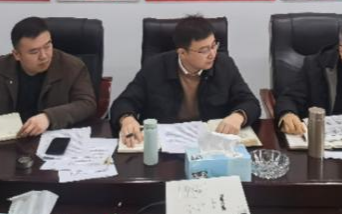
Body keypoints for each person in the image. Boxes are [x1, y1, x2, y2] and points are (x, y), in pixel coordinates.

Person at [111, 16, 261, 144]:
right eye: (204, 50)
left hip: (210, 144)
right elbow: (124, 102)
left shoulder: (224, 65)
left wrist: (238, 116)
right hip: (164, 147)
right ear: (182, 53)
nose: (212, 54)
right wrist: (127, 119)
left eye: (214, 45)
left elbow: (250, 102)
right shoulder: (155, 66)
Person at [0, 17, 97, 140]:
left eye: (47, 46)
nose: (44, 56)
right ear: (17, 55)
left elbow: (86, 104)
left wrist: (49, 117)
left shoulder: (72, 67)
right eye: (34, 52)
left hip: (51, 141)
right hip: (8, 143)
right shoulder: (0, 67)